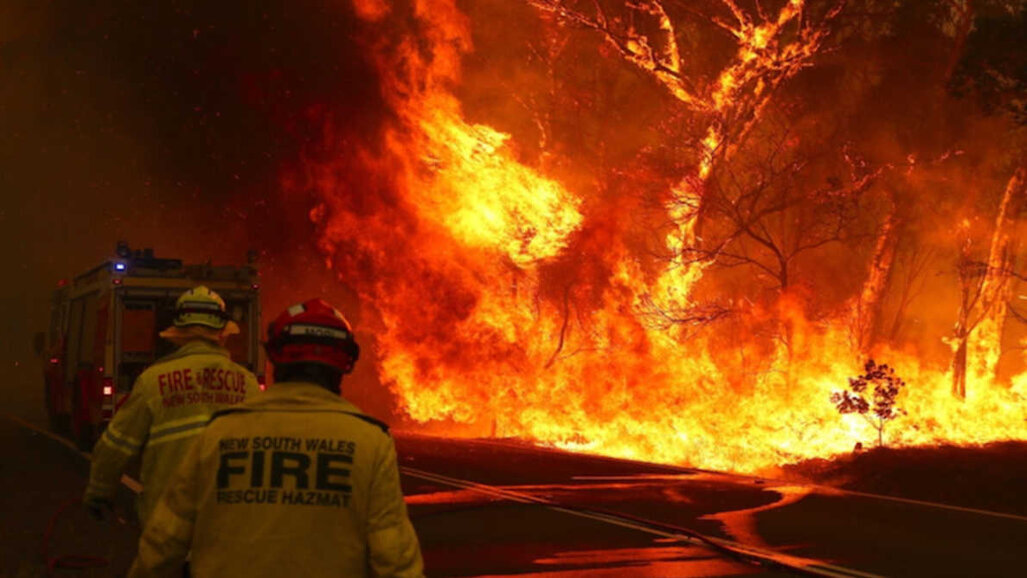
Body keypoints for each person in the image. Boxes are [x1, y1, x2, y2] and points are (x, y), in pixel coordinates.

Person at [129, 298, 423, 578]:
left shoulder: (219, 434)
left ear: (274, 356)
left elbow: (163, 544)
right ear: (346, 362)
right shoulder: (370, 442)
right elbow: (394, 559)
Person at [84, 285, 259, 525]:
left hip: (166, 519)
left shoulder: (152, 381)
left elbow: (116, 446)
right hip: (227, 522)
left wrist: (99, 492)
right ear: (223, 332)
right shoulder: (248, 384)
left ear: (177, 331)